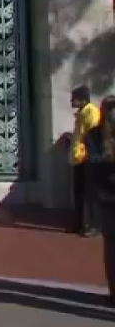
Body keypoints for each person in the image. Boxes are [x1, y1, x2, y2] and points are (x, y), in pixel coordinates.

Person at [82, 96, 115, 305]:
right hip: (107, 195)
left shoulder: (93, 135)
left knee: (111, 245)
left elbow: (93, 166)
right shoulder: (95, 136)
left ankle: (114, 291)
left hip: (105, 195)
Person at [70, 86, 102, 236]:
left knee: (90, 194)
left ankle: (92, 226)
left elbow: (93, 136)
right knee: (79, 193)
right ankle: (79, 224)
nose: (71, 101)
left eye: (74, 98)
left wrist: (87, 154)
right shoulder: (82, 113)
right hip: (78, 158)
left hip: (86, 158)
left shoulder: (91, 112)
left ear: (82, 99)